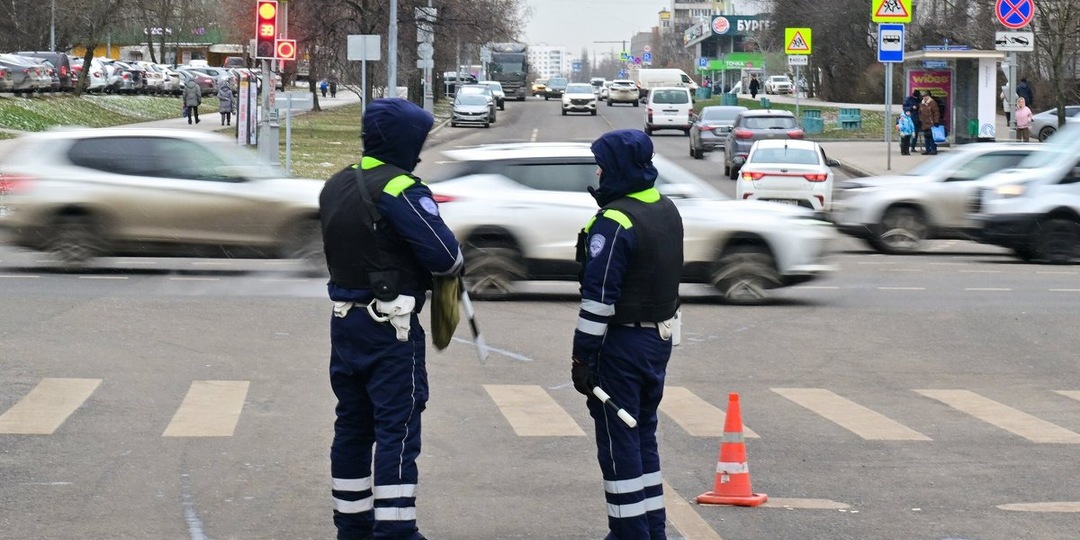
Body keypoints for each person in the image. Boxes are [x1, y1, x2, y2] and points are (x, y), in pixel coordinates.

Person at [319, 97, 464, 540]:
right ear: (404, 142)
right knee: (397, 430)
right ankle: (396, 530)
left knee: (352, 426)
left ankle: (352, 527)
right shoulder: (401, 188)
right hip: (391, 330)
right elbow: (446, 257)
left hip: (345, 323)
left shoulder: (337, 183)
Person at [571, 129, 683, 540]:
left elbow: (599, 300)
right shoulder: (665, 208)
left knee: (619, 447)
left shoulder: (615, 220)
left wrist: (582, 357)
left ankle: (628, 533)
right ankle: (652, 530)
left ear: (615, 167)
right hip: (657, 341)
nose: (598, 173)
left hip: (620, 346)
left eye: (601, 165)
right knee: (642, 436)